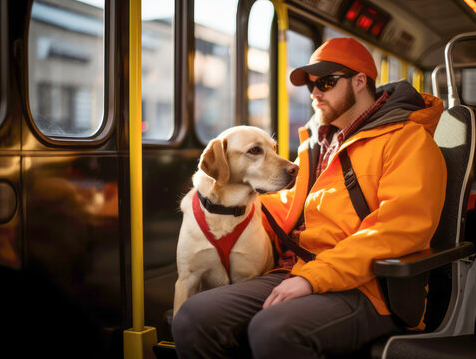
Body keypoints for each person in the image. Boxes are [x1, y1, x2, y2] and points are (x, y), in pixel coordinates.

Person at [172, 37, 447, 358]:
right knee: (193, 318)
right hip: (299, 269)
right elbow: (291, 207)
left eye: (327, 82)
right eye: (311, 85)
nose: (316, 93)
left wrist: (312, 278)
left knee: (272, 330)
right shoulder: (317, 144)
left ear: (360, 82)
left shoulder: (408, 141)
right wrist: (214, 211)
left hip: (367, 287)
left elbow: (399, 231)